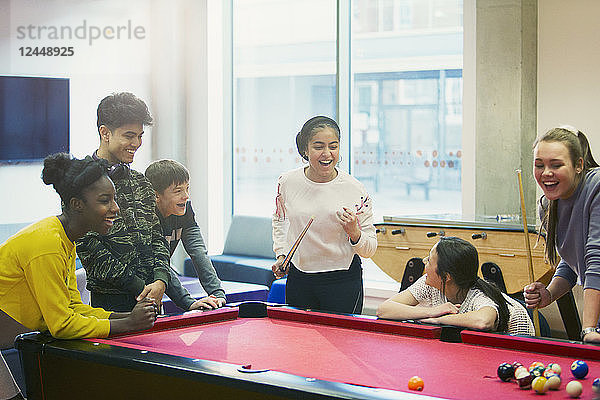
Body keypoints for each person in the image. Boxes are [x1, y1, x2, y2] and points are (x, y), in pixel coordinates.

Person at [0, 154, 157, 399]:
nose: (116, 208)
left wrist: (126, 315)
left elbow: (73, 306)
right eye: (105, 200)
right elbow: (61, 325)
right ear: (76, 204)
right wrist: (128, 324)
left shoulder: (64, 239)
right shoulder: (47, 243)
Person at [76, 92, 173, 312]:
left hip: (153, 298)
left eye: (140, 136)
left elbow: (157, 236)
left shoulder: (140, 181)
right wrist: (141, 287)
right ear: (105, 133)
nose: (136, 143)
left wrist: (160, 280)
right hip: (112, 304)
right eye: (129, 136)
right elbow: (90, 249)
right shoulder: (80, 182)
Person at [271, 116, 377, 314]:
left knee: (341, 344)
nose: (327, 154)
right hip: (299, 279)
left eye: (333, 146)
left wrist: (354, 232)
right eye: (318, 146)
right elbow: (280, 219)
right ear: (305, 149)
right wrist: (282, 255)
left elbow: (369, 249)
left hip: (343, 280)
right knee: (299, 342)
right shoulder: (287, 182)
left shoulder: (355, 189)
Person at [523, 125, 600, 342]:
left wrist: (588, 329)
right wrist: (548, 294)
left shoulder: (596, 187)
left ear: (578, 165)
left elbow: (596, 260)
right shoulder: (548, 204)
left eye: (556, 165)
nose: (546, 173)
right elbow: (571, 261)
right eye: (539, 165)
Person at [377, 237, 535, 335]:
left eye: (430, 260)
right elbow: (384, 309)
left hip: (520, 345)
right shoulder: (429, 283)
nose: (424, 261)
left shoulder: (478, 295)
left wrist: (441, 319)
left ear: (446, 277)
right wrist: (432, 312)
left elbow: (483, 321)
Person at [145, 159, 226, 311]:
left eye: (187, 188)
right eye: (178, 191)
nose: (186, 196)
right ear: (156, 195)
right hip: (137, 290)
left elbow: (198, 252)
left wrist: (217, 293)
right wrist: (188, 302)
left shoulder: (185, 210)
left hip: (158, 284)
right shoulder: (146, 217)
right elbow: (159, 264)